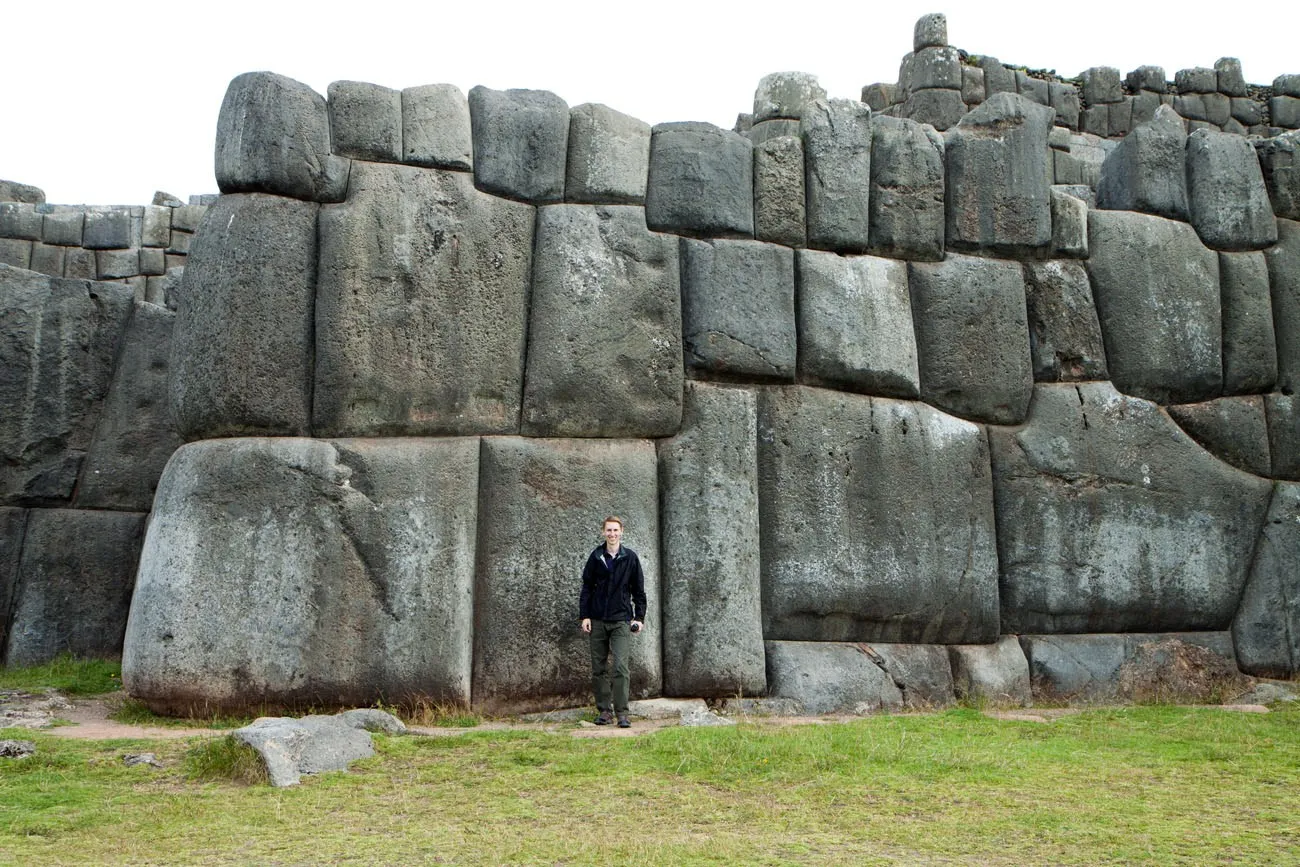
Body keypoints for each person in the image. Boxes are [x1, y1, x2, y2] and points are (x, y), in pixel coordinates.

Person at [579, 515, 646, 728]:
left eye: (615, 530)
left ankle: (622, 714)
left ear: (622, 532)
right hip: (597, 620)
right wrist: (585, 616)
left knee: (620, 667)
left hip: (620, 621)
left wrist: (639, 617)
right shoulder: (596, 556)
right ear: (603, 532)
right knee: (598, 668)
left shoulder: (631, 558)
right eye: (609, 530)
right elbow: (587, 588)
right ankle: (604, 711)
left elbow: (638, 591)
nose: (612, 534)